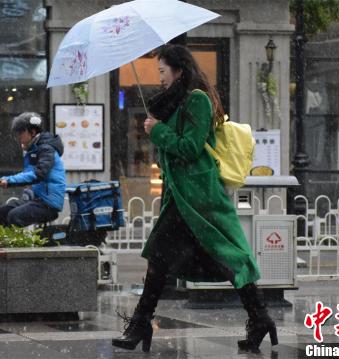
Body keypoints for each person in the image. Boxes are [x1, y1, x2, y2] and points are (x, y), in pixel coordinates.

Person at [111, 45, 278, 354]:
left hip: (200, 197)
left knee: (223, 256)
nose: (159, 78)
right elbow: (176, 152)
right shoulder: (173, 104)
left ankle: (141, 323)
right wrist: (160, 134)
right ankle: (259, 317)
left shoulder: (197, 100)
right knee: (173, 257)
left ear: (179, 71)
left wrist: (158, 132)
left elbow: (190, 148)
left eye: (163, 71)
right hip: (180, 195)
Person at [0, 112, 66, 227]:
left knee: (14, 216)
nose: (18, 137)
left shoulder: (46, 149)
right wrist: (6, 179)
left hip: (48, 203)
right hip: (36, 198)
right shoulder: (33, 149)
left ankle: (22, 243)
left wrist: (10, 181)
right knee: (1, 213)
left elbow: (38, 174)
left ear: (32, 132)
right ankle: (10, 242)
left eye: (20, 133)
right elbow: (28, 174)